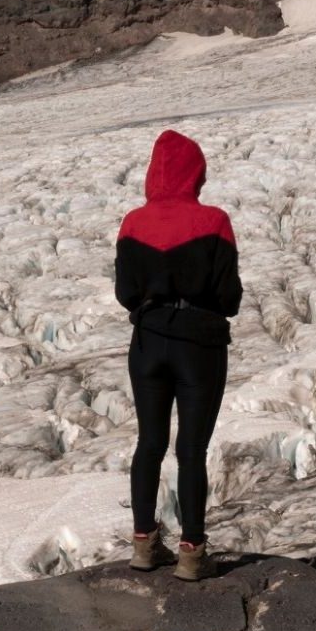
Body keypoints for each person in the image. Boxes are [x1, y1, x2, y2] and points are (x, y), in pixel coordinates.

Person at [114, 128, 243, 581]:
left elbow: (126, 293)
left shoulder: (132, 223)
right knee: (191, 449)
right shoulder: (214, 222)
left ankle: (144, 546)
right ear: (196, 173)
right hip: (198, 346)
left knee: (149, 443)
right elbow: (229, 298)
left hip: (148, 344)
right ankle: (191, 554)